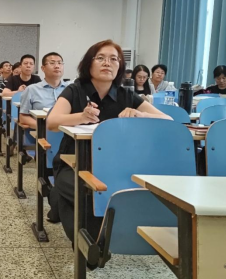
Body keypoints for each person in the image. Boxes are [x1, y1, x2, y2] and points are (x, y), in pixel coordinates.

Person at [46, 40, 172, 246]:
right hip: (75, 164)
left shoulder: (126, 95)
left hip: (115, 166)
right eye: (100, 58)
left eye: (114, 59)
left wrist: (140, 114)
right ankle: (92, 246)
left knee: (98, 196)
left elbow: (168, 121)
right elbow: (52, 122)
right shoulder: (75, 90)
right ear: (89, 64)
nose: (107, 63)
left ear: (120, 66)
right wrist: (81, 116)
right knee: (87, 195)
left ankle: (89, 240)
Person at [19, 52, 68, 130]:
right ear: (43, 68)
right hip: (42, 133)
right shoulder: (31, 89)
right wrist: (45, 128)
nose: (57, 66)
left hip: (68, 132)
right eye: (52, 63)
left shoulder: (71, 89)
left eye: (60, 63)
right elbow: (23, 117)